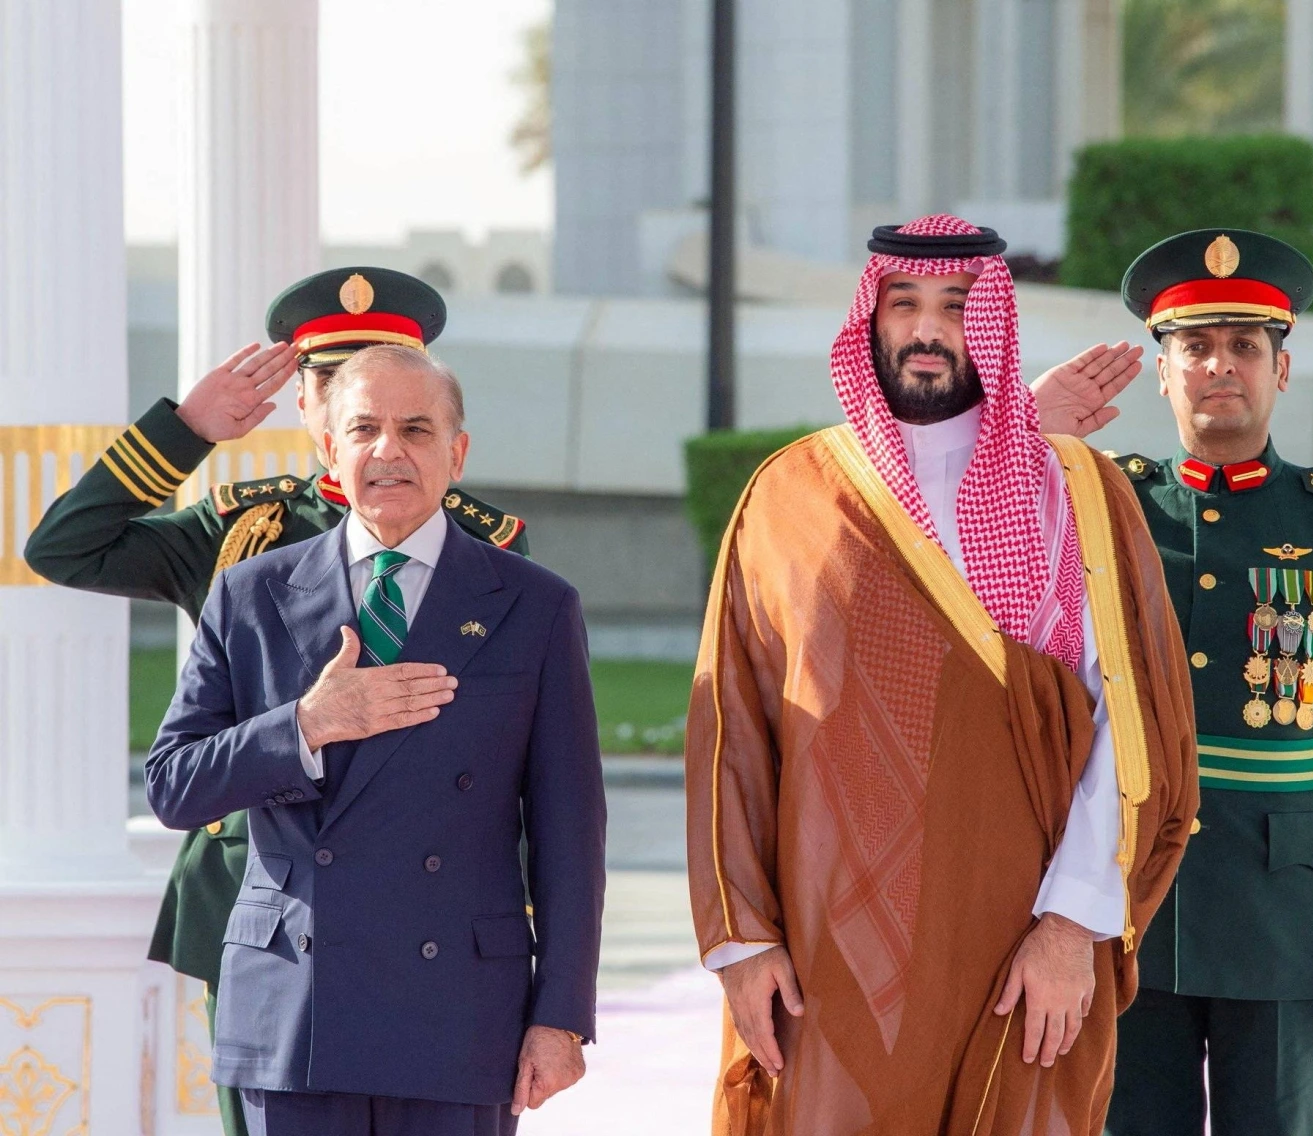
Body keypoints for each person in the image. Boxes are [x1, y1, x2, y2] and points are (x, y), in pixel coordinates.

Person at [683, 215, 1198, 1135]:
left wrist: (1072, 930)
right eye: (905, 304)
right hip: (826, 955)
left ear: (991, 324)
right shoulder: (789, 496)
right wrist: (743, 939)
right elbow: (733, 730)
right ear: (869, 321)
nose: (928, 331)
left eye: (957, 309)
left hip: (1016, 947)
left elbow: (1134, 726)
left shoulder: (1077, 492)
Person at [24, 266, 528, 1136]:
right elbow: (65, 547)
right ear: (304, 405)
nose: (351, 400)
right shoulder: (240, 531)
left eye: (375, 373)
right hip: (262, 893)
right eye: (327, 379)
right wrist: (184, 434)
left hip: (423, 911)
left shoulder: (487, 549)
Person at [145, 345, 605, 1136]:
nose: (388, 451)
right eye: (364, 428)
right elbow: (173, 786)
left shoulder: (533, 605)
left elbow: (570, 833)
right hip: (296, 1010)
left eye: (416, 429)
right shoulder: (250, 593)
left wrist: (561, 1016)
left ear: (456, 453)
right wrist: (305, 727)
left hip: (458, 1014)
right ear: (329, 448)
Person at [1101, 229, 1313, 1136]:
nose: (1220, 366)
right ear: (1162, 374)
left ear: (1280, 373)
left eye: (1245, 346)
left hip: (1293, 918)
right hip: (1131, 906)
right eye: (1194, 348)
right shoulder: (1107, 509)